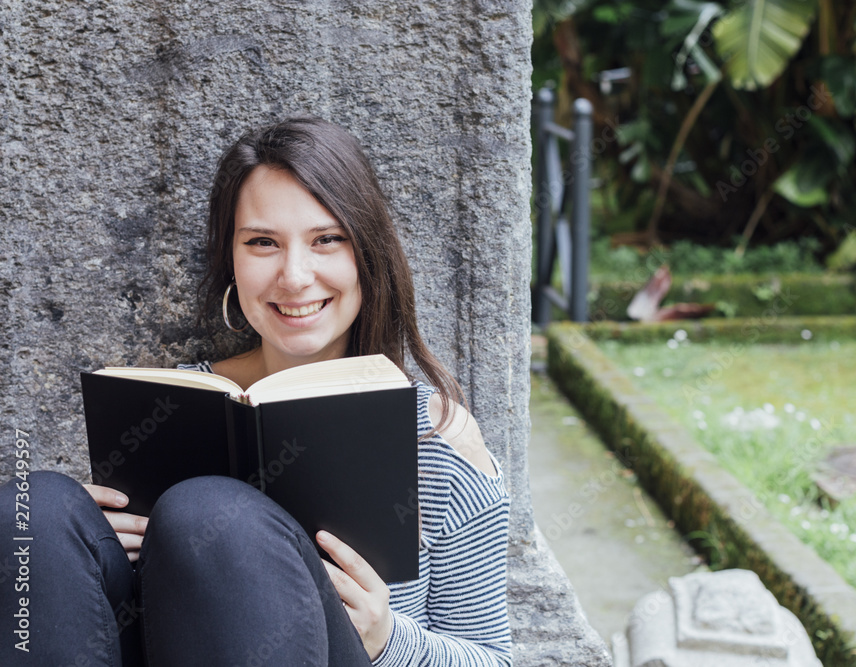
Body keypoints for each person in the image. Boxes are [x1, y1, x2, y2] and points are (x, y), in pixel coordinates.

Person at [0, 117, 512, 666]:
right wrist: (87, 540)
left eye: (327, 240)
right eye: (263, 242)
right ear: (231, 260)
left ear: (367, 253)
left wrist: (389, 638)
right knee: (35, 512)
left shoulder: (435, 436)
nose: (294, 276)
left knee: (210, 513)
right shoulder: (171, 405)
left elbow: (493, 657)